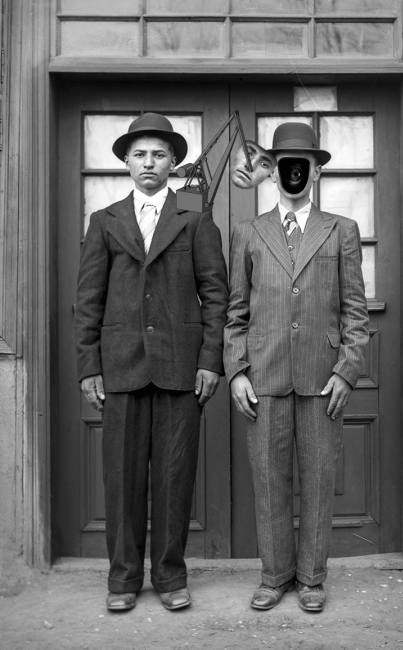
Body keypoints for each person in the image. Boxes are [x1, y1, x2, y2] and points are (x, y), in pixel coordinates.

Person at [74, 113, 228, 612]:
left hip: (181, 368)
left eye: (159, 154)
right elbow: (88, 301)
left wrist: (211, 361)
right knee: (121, 482)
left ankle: (170, 577)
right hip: (120, 367)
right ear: (125, 161)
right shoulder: (105, 220)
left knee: (174, 477)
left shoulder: (195, 216)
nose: (149, 163)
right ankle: (122, 580)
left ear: (173, 162)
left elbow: (216, 295)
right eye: (139, 154)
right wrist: (89, 367)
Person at [224, 122, 369, 612]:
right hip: (263, 376)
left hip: (322, 377)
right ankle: (275, 576)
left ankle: (311, 578)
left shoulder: (341, 230)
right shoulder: (248, 233)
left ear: (315, 171)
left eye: (302, 164)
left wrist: (347, 370)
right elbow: (235, 312)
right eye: (285, 164)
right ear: (272, 172)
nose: (293, 172)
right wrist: (236, 370)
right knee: (269, 481)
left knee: (319, 478)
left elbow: (355, 311)